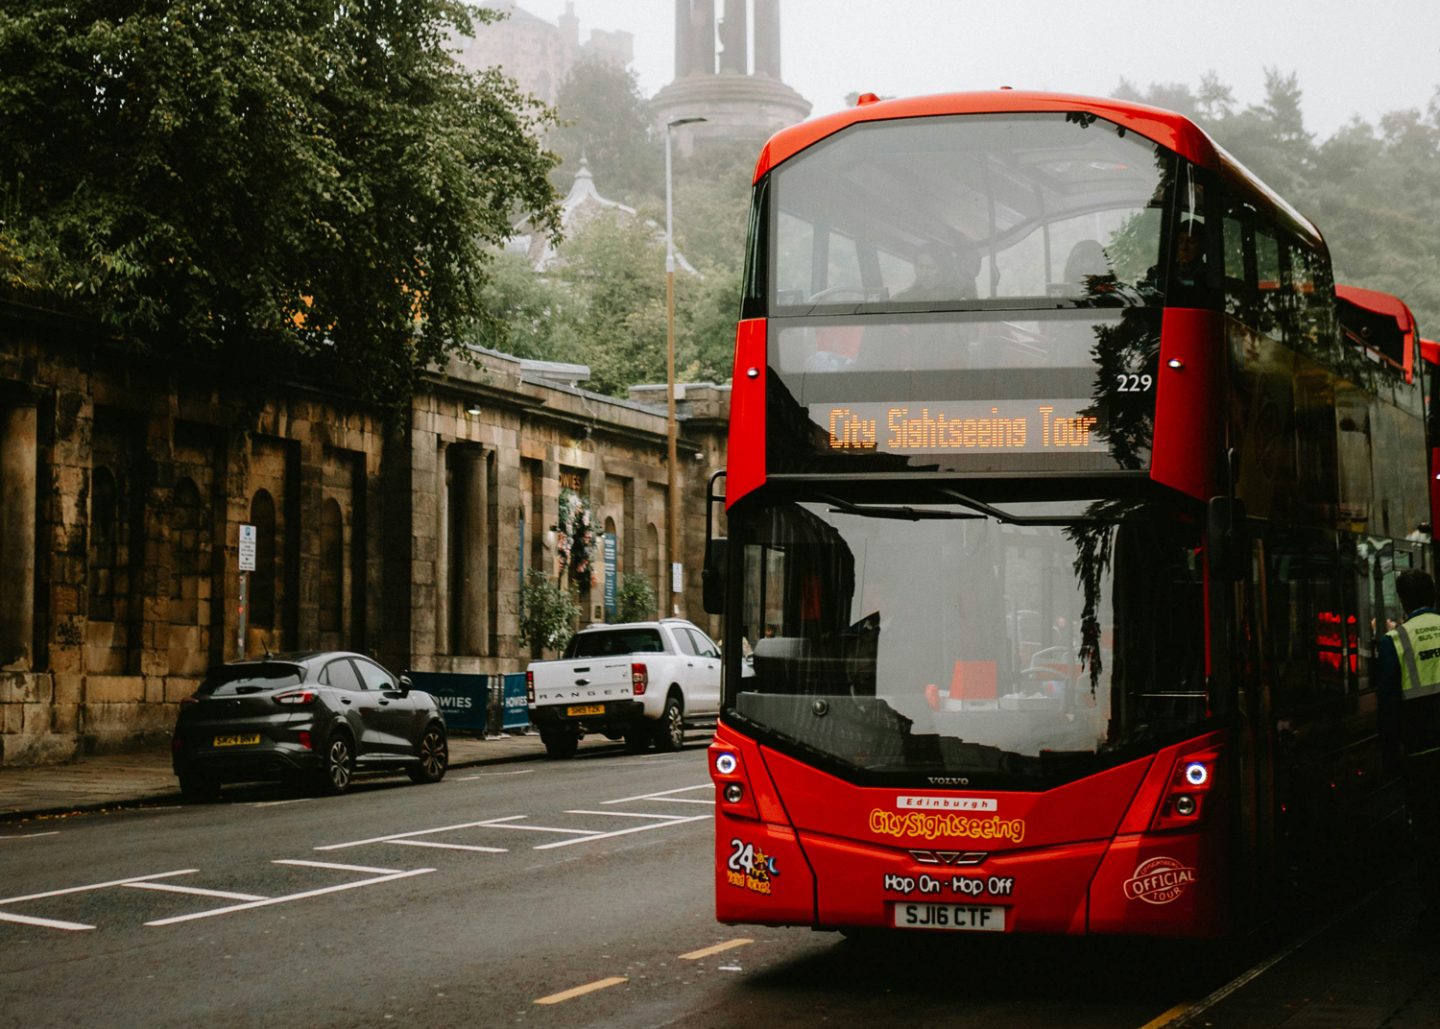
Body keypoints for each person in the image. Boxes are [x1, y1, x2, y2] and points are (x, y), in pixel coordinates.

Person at [1377, 567, 1440, 917]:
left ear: (1402, 601)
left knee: (1429, 833)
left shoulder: (1395, 641)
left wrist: (1390, 758)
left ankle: (1433, 905)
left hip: (1423, 754)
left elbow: (1388, 707)